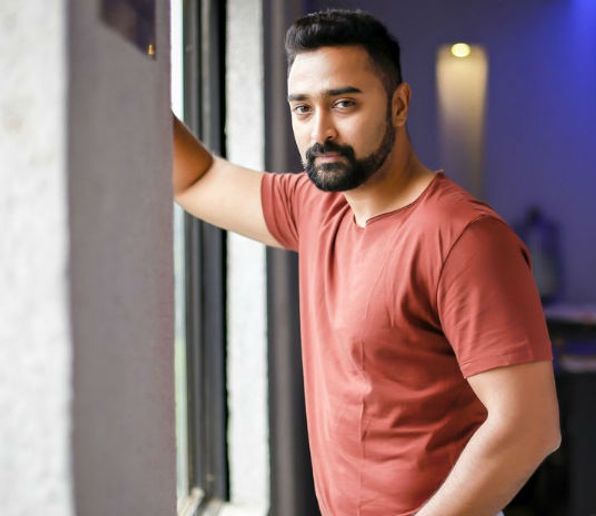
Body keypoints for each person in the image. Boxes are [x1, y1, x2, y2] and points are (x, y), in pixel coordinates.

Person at [173, 9, 560, 516]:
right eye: (303, 108)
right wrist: (130, 54)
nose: (321, 132)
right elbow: (196, 179)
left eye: (344, 104)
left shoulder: (463, 237)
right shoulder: (316, 207)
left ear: (399, 105)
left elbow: (529, 426)